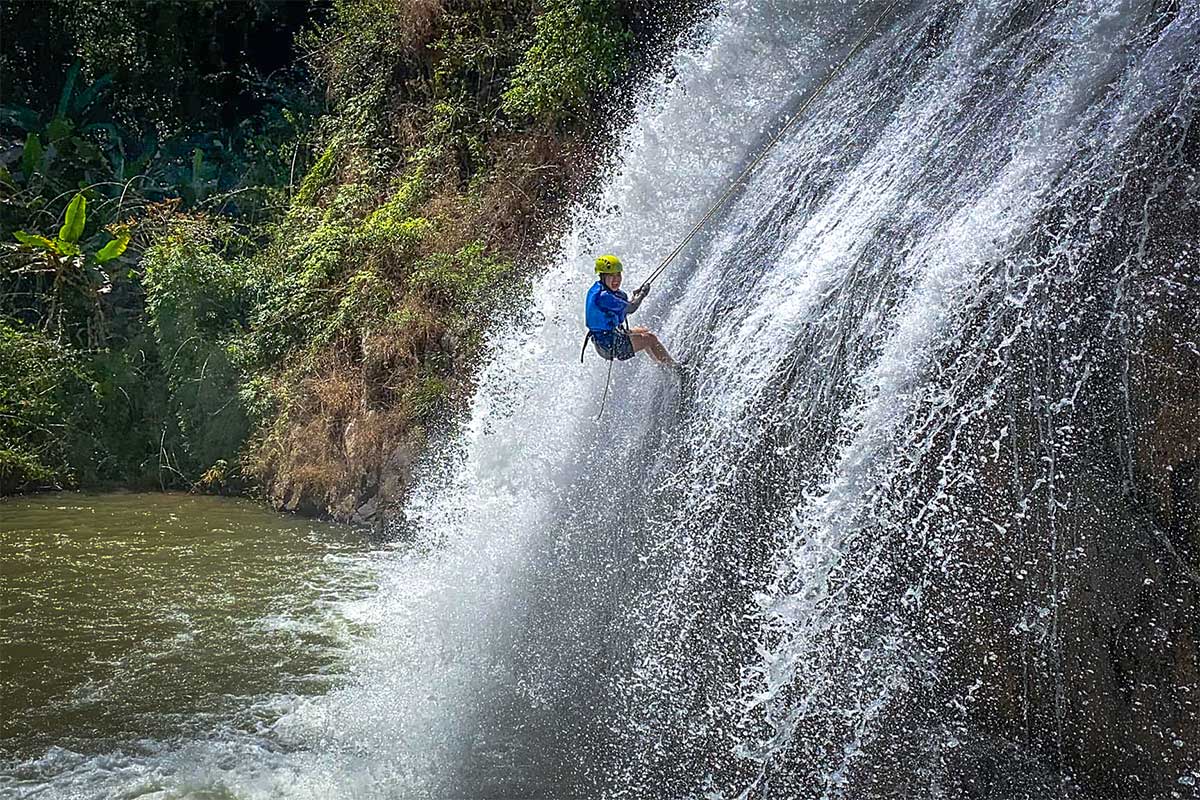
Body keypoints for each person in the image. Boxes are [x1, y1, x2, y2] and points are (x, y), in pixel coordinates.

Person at [583, 254, 678, 368]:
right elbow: (631, 308)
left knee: (644, 331)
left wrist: (635, 296)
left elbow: (624, 305)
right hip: (609, 345)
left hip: (607, 338)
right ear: (602, 276)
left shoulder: (599, 288)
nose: (616, 279)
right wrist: (642, 295)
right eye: (611, 276)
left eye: (618, 275)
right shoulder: (603, 296)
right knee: (650, 339)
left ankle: (661, 364)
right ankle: (675, 368)